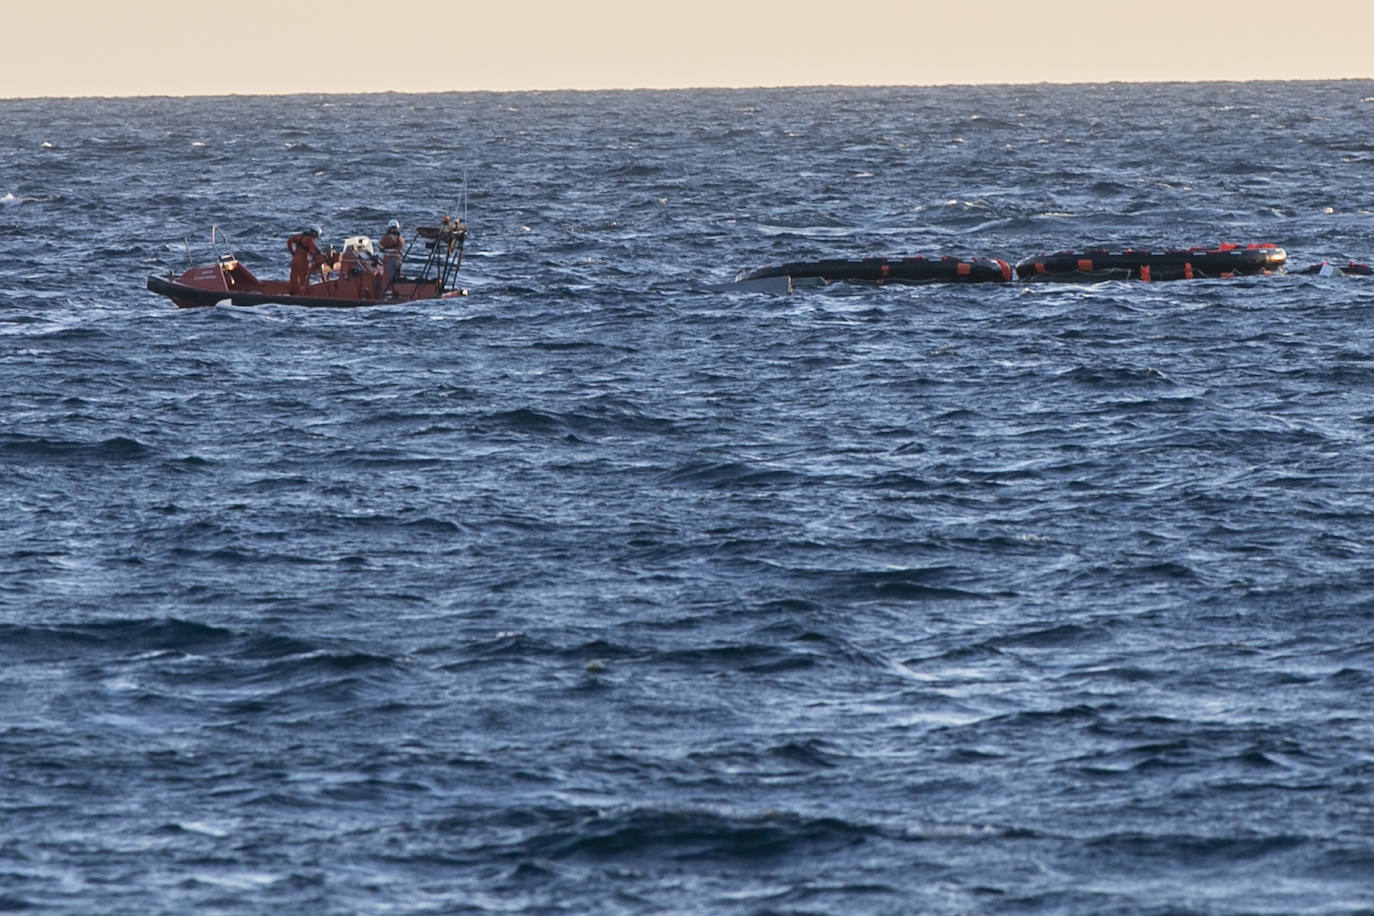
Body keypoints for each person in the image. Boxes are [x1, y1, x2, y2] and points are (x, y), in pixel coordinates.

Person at [285, 226, 326, 294]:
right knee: (303, 277)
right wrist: (319, 253)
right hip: (302, 260)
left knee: (293, 276)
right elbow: (314, 249)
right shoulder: (309, 240)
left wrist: (292, 252)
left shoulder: (300, 236)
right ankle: (303, 292)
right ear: (314, 233)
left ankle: (293, 292)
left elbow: (289, 241)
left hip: (294, 259)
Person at [379, 219, 404, 284]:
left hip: (389, 260)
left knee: (388, 277)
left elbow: (380, 246)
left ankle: (387, 291)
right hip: (398, 260)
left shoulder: (386, 238)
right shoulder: (401, 239)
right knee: (398, 277)